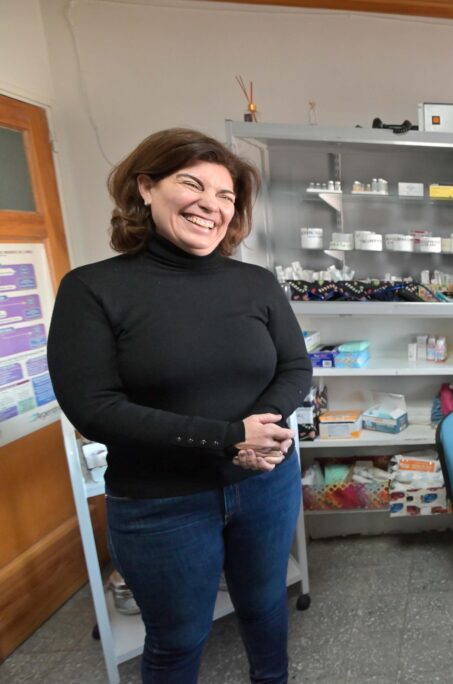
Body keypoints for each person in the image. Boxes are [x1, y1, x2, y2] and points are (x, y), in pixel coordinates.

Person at [48, 128, 312, 683]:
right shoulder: (93, 289)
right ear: (146, 188)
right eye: (192, 184)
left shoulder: (256, 284)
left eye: (226, 195)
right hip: (161, 501)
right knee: (178, 638)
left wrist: (261, 431)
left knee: (266, 608)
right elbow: (94, 408)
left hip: (264, 483)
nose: (211, 205)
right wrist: (229, 437)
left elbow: (295, 367)